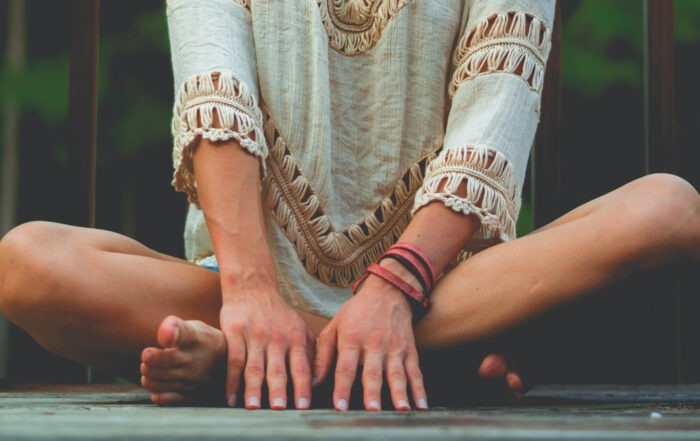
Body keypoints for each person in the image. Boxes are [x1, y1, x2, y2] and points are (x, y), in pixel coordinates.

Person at [0, 0, 698, 412]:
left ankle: (249, 370)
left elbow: (494, 125)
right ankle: (412, 371)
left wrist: (396, 285)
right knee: (26, 264)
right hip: (250, 293)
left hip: (445, 292)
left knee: (670, 210)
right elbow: (215, 91)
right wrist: (251, 291)